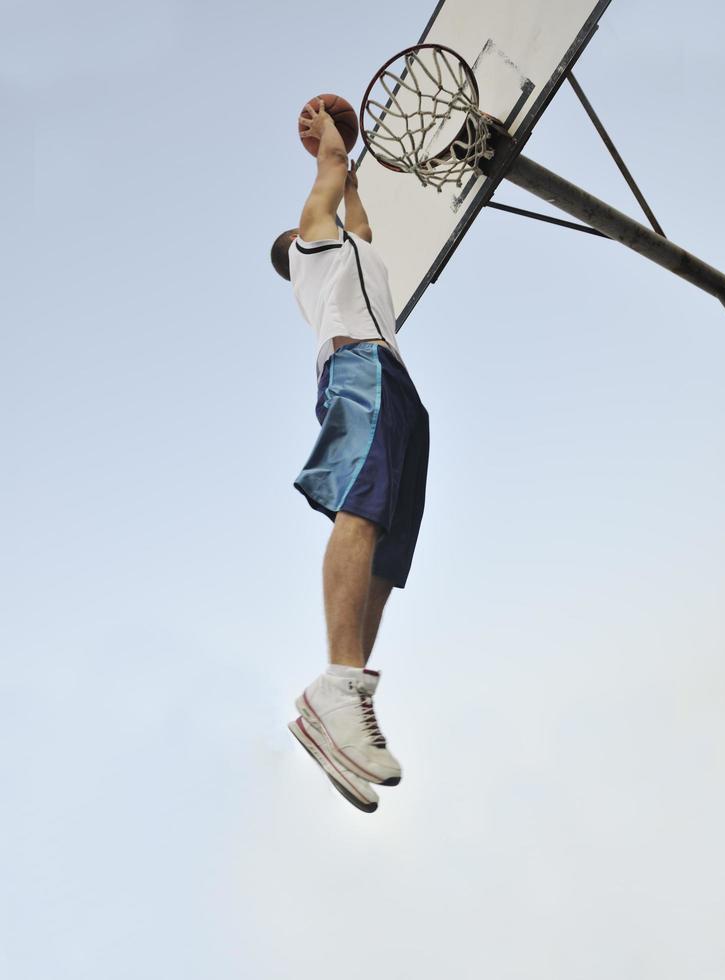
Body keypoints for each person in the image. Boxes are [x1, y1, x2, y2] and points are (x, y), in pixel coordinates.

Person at [270, 100, 430, 813]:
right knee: (362, 508)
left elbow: (357, 213)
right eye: (324, 213)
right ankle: (335, 682)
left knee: (389, 555)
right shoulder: (311, 251)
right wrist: (330, 135)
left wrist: (355, 171)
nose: (331, 215)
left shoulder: (355, 251)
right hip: (358, 367)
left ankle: (344, 699)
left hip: (396, 382)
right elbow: (331, 174)